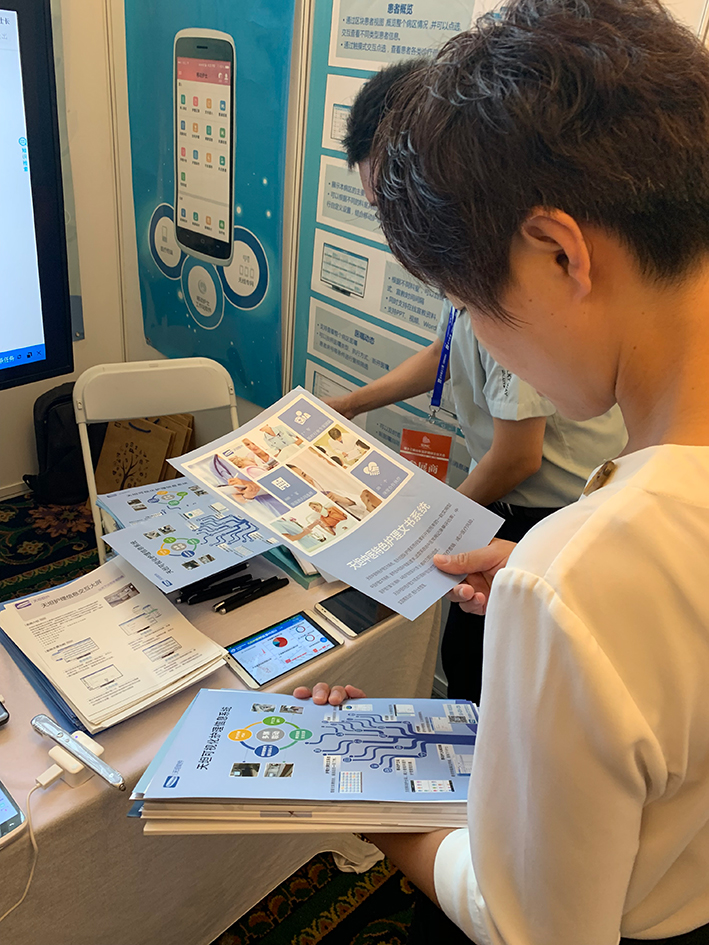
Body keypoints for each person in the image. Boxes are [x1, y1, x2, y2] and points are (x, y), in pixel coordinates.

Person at [296, 0, 709, 941]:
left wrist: (360, 797)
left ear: (558, 253)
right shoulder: (593, 568)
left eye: (468, 301)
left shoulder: (583, 576)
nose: (478, 336)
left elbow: (525, 923)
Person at [332, 56, 628, 704]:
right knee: (471, 659)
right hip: (519, 514)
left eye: (396, 208)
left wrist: (429, 529)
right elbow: (448, 350)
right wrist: (350, 403)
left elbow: (518, 455)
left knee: (487, 675)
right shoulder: (474, 274)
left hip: (543, 512)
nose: (397, 237)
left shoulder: (510, 290)